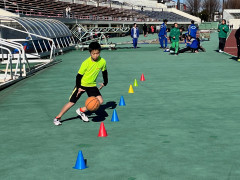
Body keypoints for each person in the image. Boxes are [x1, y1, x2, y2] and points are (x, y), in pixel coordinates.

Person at [53, 42, 108, 126]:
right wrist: (78, 87)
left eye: (97, 53)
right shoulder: (85, 63)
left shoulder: (102, 61)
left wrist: (105, 82)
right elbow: (78, 76)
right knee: (72, 102)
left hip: (92, 85)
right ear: (90, 53)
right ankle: (57, 117)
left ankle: (81, 111)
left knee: (100, 100)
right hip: (81, 85)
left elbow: (104, 72)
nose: (96, 55)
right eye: (94, 53)